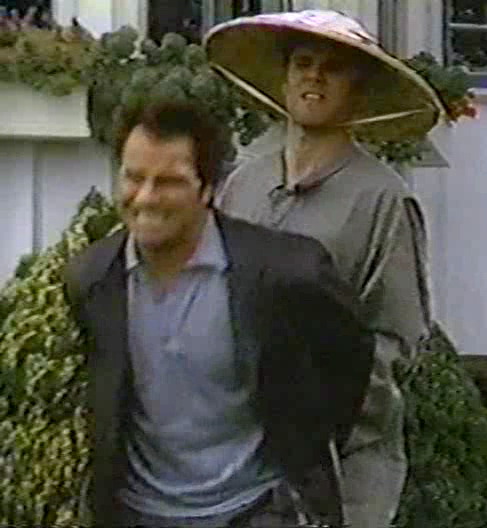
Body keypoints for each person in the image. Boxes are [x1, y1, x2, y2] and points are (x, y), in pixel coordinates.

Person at [63, 100, 374, 527]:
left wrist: (307, 450)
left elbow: (349, 358)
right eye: (134, 177)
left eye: (169, 182)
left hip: (256, 510)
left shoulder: (286, 273)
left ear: (208, 188)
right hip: (137, 513)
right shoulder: (93, 279)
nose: (146, 197)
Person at [206, 10, 445, 528]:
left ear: (357, 90)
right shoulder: (244, 184)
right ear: (285, 77)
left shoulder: (381, 199)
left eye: (332, 68)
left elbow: (395, 338)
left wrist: (316, 405)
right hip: (234, 460)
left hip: (338, 467)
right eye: (303, 63)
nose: (313, 76)